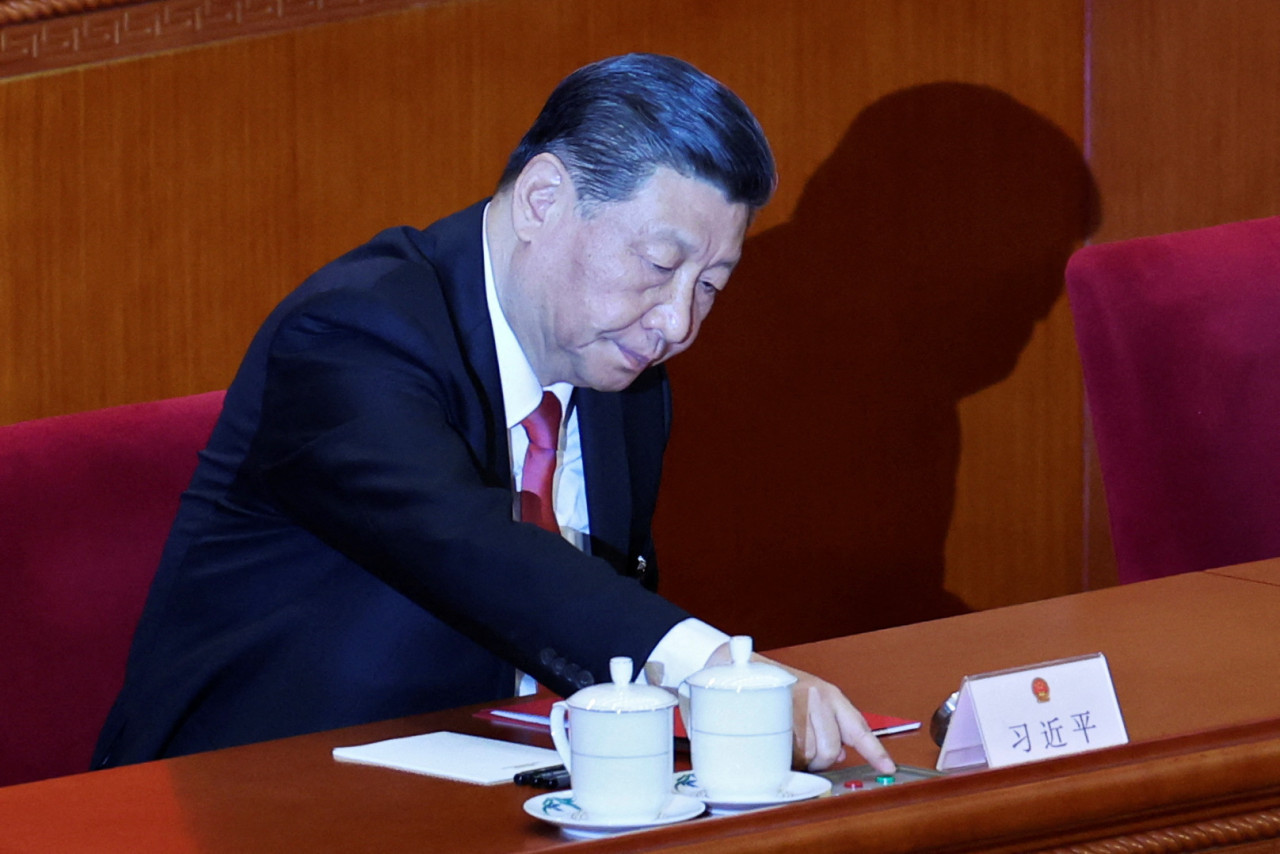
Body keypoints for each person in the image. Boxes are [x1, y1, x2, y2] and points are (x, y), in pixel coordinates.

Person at [92, 53, 893, 775]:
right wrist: (712, 665)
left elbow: (584, 629)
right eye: (659, 265)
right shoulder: (352, 332)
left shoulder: (625, 379)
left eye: (711, 284)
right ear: (544, 199)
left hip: (504, 788)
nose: (677, 323)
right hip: (259, 793)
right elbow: (467, 544)